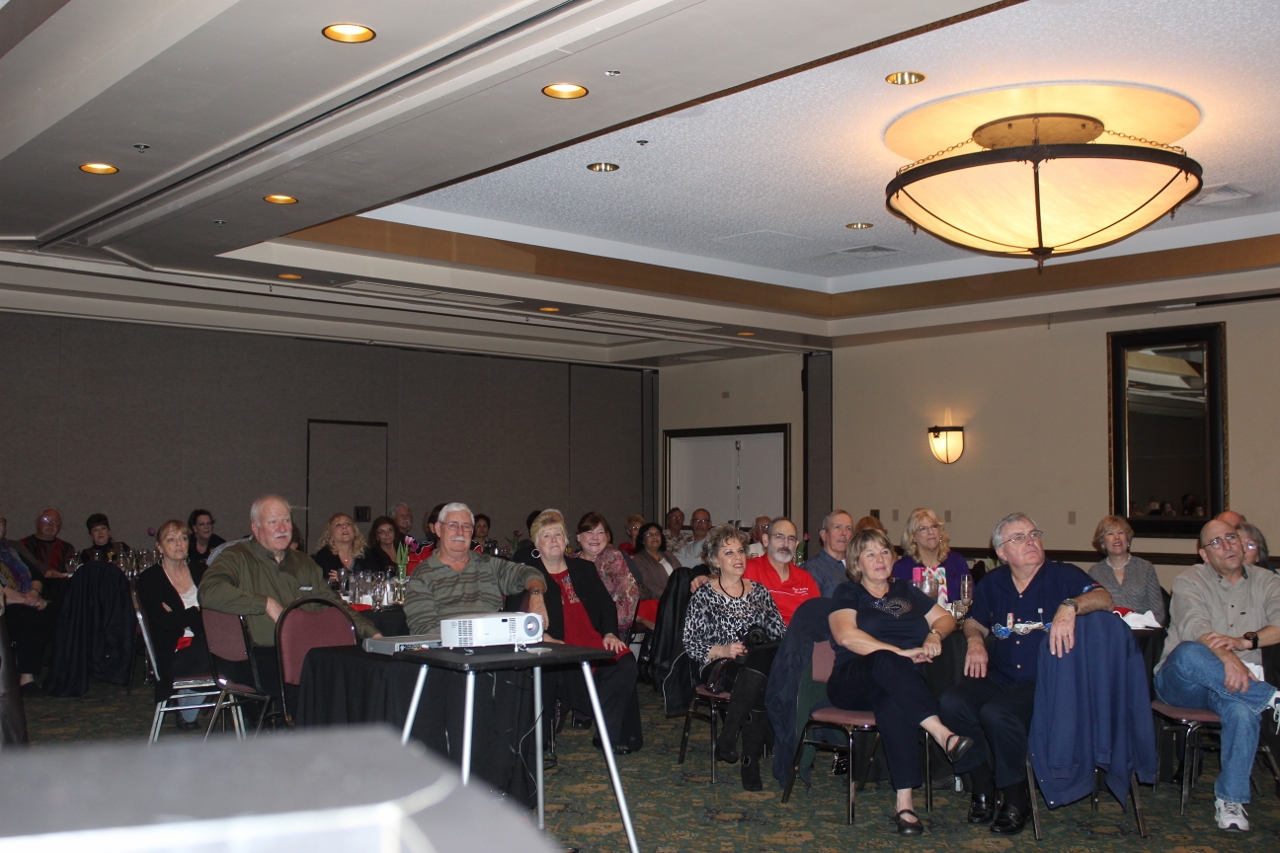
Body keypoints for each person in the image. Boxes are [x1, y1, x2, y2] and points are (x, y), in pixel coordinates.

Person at [939, 513, 1111, 835]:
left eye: (1034, 534)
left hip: (1047, 682)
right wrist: (975, 640)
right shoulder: (993, 583)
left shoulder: (1062, 576)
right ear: (1001, 552)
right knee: (952, 702)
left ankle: (1017, 797)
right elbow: (975, 620)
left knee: (997, 713)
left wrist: (1070, 605)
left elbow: (1104, 597)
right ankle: (982, 784)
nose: (1031, 541)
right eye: (1019, 538)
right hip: (1002, 677)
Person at [828, 527, 974, 835]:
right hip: (853, 679)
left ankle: (905, 804)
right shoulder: (848, 592)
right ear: (857, 562)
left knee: (894, 705)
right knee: (886, 661)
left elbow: (946, 618)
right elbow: (846, 635)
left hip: (897, 685)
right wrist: (900, 653)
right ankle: (942, 733)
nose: (879, 559)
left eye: (884, 552)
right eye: (870, 554)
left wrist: (935, 634)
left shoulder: (906, 590)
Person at [1154, 518, 1280, 832]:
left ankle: (1231, 800)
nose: (1227, 546)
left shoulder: (1268, 581)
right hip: (1184, 681)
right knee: (1187, 651)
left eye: (1231, 538)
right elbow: (1196, 627)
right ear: (1204, 554)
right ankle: (1271, 697)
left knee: (1240, 708)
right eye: (1216, 543)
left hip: (1236, 687)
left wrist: (1243, 643)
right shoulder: (1188, 580)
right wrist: (1227, 656)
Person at [198, 495, 379, 699]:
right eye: (273, 522)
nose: (282, 528)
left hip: (305, 650)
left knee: (358, 671)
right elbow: (208, 591)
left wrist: (371, 633)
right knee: (311, 681)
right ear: (256, 529)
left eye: (286, 520)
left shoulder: (304, 562)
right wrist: (264, 603)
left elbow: (332, 603)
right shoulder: (236, 557)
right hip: (257, 655)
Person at [523, 511, 643, 754]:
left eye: (558, 534)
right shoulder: (527, 573)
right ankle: (541, 737)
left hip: (593, 642)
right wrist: (541, 637)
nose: (554, 540)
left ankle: (608, 735)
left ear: (567, 540)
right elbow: (516, 613)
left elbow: (606, 605)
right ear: (537, 544)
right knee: (546, 671)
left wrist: (609, 633)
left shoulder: (583, 568)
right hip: (558, 644)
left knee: (627, 664)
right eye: (546, 536)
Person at [682, 524, 785, 790]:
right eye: (729, 553)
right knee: (759, 675)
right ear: (715, 560)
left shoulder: (760, 591)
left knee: (759, 665)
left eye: (741, 551)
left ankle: (728, 739)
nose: (738, 557)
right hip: (719, 665)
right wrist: (724, 650)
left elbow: (779, 633)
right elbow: (691, 643)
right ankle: (749, 762)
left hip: (754, 664)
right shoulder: (703, 595)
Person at [403, 502, 548, 635]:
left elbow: (528, 572)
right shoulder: (422, 574)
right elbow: (422, 629)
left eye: (466, 526)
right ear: (438, 529)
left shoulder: (487, 564)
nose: (460, 532)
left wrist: (536, 594)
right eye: (453, 525)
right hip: (448, 654)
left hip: (494, 647)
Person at [135, 520, 210, 729]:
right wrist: (196, 613)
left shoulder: (202, 571)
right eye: (171, 539)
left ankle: (258, 714)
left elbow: (217, 611)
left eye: (183, 538)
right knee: (222, 650)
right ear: (159, 547)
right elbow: (163, 624)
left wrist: (183, 615)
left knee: (230, 646)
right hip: (174, 650)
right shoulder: (150, 579)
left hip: (205, 644)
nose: (178, 543)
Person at [1, 533, 53, 694]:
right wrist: (28, 601)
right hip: (5, 604)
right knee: (29, 616)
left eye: (1, 521)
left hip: (25, 597)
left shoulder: (10, 550)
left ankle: (62, 673)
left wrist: (34, 593)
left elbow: (37, 575)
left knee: (60, 610)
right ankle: (26, 678)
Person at [1087, 515, 1165, 621]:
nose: (1117, 537)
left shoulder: (1145, 568)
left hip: (1142, 633)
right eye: (1110, 533)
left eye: (1121, 532)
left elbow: (1158, 613)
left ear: (1127, 539)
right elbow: (1092, 613)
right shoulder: (1095, 572)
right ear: (1102, 543)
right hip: (1110, 632)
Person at [575, 512, 640, 638]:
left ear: (607, 536)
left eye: (600, 532)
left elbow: (629, 596)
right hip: (575, 629)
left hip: (607, 631)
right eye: (589, 532)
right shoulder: (569, 562)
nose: (595, 537)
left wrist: (607, 626)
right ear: (578, 537)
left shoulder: (613, 558)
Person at [742, 517, 818, 624]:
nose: (785, 544)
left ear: (796, 545)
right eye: (779, 537)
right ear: (765, 540)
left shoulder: (805, 579)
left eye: (791, 539)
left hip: (798, 638)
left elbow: (817, 618)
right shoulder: (747, 570)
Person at [892, 508, 971, 605]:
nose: (930, 532)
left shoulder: (956, 561)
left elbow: (970, 599)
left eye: (934, 526)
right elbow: (898, 605)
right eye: (923, 529)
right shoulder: (902, 567)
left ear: (940, 533)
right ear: (913, 537)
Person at [630, 522, 682, 615]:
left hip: (679, 596)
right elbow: (648, 583)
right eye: (649, 534)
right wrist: (670, 594)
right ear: (642, 540)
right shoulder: (639, 559)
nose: (654, 536)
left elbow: (681, 574)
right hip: (660, 601)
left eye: (657, 533)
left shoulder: (667, 555)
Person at [803, 510, 855, 597]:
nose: (844, 533)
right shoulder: (812, 569)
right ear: (823, 535)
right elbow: (812, 607)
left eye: (848, 528)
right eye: (838, 527)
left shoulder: (858, 566)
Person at [312, 513, 374, 583]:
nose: (344, 526)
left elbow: (373, 581)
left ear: (354, 531)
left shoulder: (365, 553)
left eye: (347, 524)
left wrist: (346, 578)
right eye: (338, 525)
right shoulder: (324, 555)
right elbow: (327, 583)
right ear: (331, 535)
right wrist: (356, 579)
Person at [20, 507, 75, 578]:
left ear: (60, 526)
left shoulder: (67, 548)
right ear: (37, 523)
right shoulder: (22, 545)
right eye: (46, 519)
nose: (51, 524)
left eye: (55, 521)